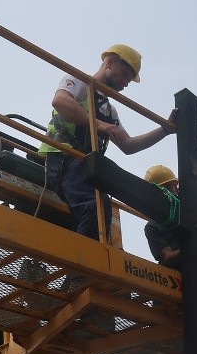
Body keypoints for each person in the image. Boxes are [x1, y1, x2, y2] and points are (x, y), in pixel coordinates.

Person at [37, 45, 176, 241]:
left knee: (103, 208)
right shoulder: (79, 82)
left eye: (129, 79)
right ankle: (83, 268)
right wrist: (99, 124)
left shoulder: (109, 111)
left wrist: (165, 130)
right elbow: (60, 101)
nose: (126, 83)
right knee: (93, 206)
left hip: (86, 165)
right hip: (63, 158)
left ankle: (88, 261)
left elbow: (128, 145)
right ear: (109, 63)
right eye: (125, 74)